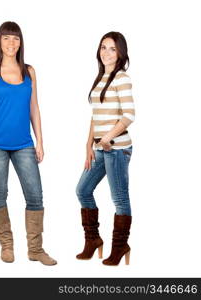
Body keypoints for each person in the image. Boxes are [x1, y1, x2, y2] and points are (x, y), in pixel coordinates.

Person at [0, 21, 57, 266]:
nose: (11, 43)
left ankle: (35, 249)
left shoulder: (29, 71)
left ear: (21, 42)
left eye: (16, 38)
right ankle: (7, 245)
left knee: (35, 195)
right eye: (6, 38)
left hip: (23, 143)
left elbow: (34, 107)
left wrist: (40, 141)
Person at [75, 32, 135, 266]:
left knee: (119, 199)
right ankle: (93, 240)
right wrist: (88, 144)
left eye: (112, 48)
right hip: (101, 148)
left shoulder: (122, 78)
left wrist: (108, 138)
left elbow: (129, 115)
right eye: (103, 47)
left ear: (120, 53)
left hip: (118, 149)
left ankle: (120, 246)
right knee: (82, 190)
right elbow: (95, 116)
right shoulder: (100, 78)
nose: (106, 52)